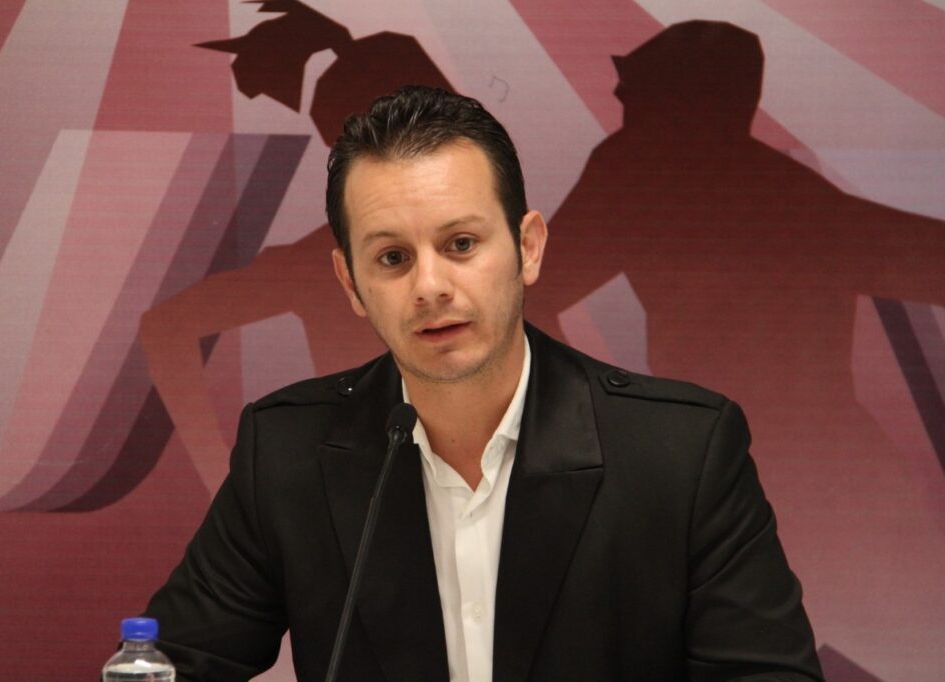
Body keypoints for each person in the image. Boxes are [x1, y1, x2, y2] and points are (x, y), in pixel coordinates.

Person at [144, 86, 822, 681]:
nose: (430, 286)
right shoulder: (286, 454)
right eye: (392, 257)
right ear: (350, 282)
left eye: (461, 244)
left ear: (528, 248)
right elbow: (167, 666)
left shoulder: (681, 454)